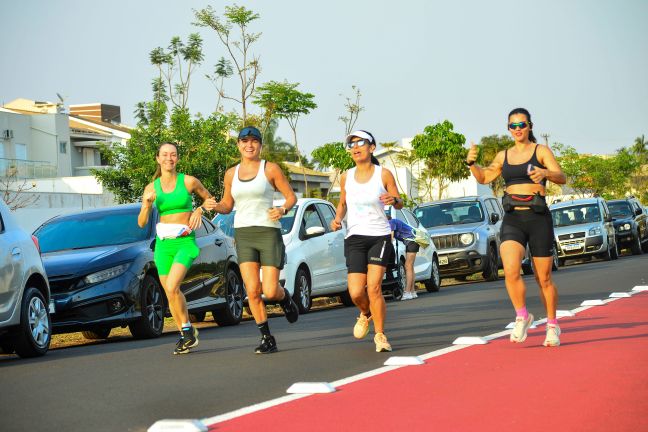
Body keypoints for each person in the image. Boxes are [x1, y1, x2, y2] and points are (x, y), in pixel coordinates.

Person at [466, 108, 566, 347]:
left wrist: (545, 173)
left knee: (544, 278)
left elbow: (561, 176)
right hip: (512, 219)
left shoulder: (540, 151)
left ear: (530, 126)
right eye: (513, 125)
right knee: (510, 270)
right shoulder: (503, 156)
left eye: (522, 124)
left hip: (538, 217)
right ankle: (522, 316)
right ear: (508, 129)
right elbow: (484, 177)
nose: (518, 129)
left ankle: (552, 324)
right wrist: (471, 162)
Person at [203, 126, 299, 354]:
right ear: (238, 145)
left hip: (268, 232)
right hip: (243, 234)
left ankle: (285, 298)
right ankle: (267, 337)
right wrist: (214, 205)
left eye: (254, 141)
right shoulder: (230, 174)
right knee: (253, 290)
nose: (249, 145)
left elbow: (291, 196)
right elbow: (228, 205)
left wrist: (283, 210)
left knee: (271, 290)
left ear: (260, 145)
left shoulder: (270, 169)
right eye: (244, 141)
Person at [331, 130, 404, 352]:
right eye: (352, 144)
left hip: (379, 236)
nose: (355, 147)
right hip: (354, 237)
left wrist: (395, 200)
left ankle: (380, 335)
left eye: (361, 142)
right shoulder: (346, 176)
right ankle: (366, 313)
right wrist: (337, 219)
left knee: (373, 288)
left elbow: (399, 202)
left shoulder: (384, 174)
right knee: (355, 292)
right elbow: (343, 203)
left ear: (372, 147)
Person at [138, 142, 213, 355]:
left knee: (172, 286)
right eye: (164, 155)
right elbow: (142, 223)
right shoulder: (151, 188)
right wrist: (146, 204)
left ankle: (187, 331)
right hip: (163, 245)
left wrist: (198, 209)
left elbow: (210, 200)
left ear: (177, 158)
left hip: (185, 242)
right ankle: (185, 334)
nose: (169, 158)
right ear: (158, 159)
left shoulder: (189, 181)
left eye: (173, 155)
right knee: (171, 293)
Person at [386, 213, 420, 300]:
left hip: (411, 241)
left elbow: (391, 237)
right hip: (412, 242)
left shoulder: (390, 222)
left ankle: (407, 292)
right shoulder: (393, 221)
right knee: (410, 267)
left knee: (407, 266)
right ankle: (412, 292)